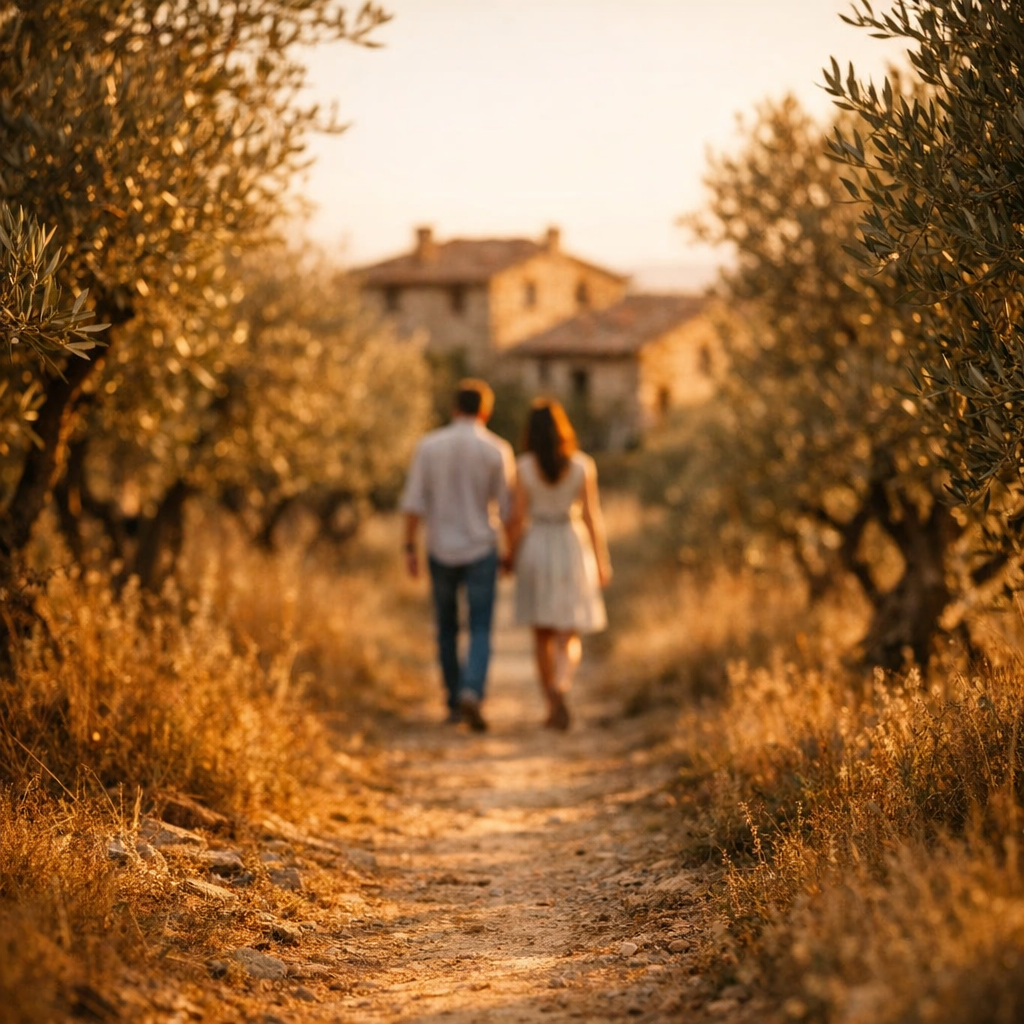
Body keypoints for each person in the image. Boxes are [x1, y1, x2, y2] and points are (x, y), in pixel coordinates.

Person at [400, 378, 516, 731]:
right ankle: (472, 690)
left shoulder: (429, 446)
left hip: (440, 547)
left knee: (446, 627)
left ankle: (453, 701)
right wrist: (510, 551)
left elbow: (413, 503)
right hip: (481, 548)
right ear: (486, 411)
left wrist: (409, 547)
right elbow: (508, 509)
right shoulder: (497, 449)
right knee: (480, 627)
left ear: (454, 408)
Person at [507, 398, 612, 731]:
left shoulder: (522, 467)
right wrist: (601, 559)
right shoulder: (583, 465)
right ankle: (562, 685)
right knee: (569, 631)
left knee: (542, 635)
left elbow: (517, 518)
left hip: (537, 542)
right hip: (571, 543)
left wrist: (511, 555)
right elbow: (593, 517)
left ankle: (550, 707)